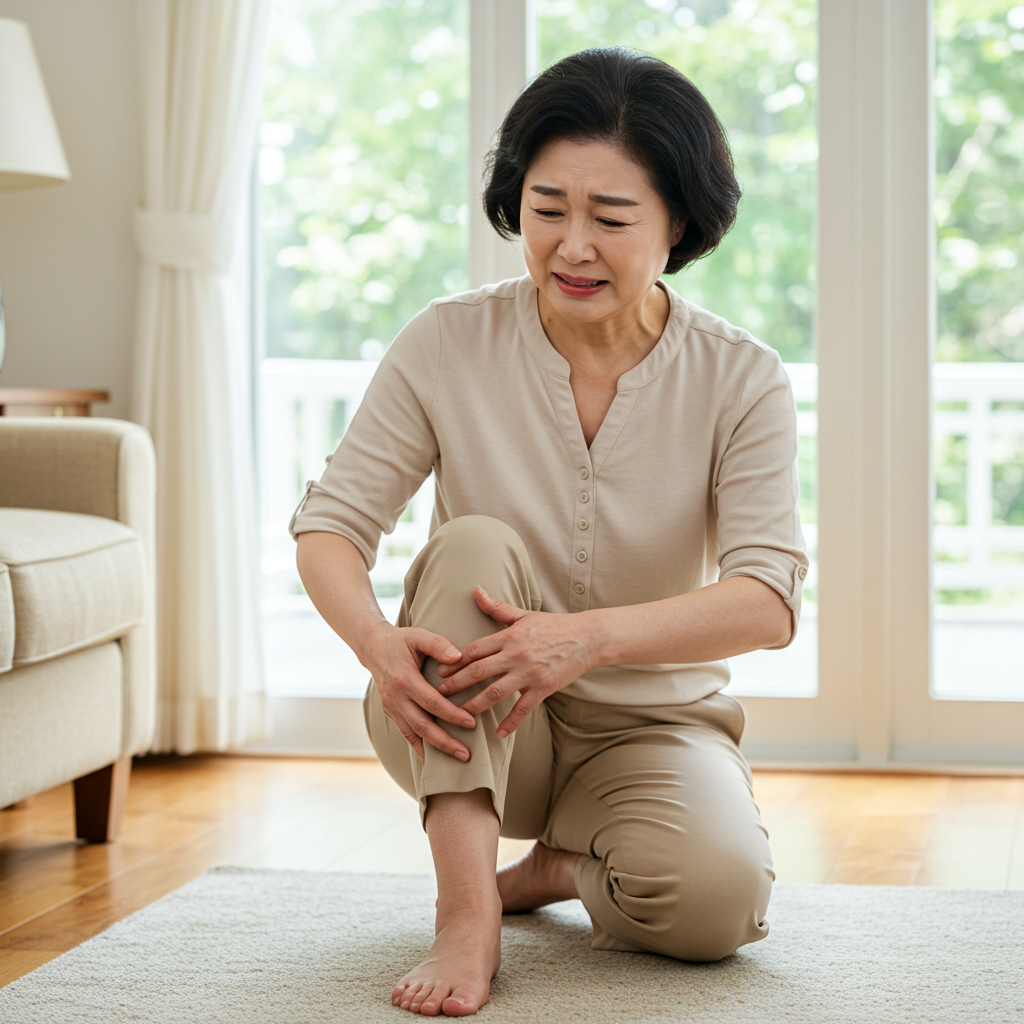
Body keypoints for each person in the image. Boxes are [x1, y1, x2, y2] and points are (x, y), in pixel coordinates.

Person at [292, 46, 808, 1018]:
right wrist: (377, 646)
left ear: (679, 224)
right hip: (468, 713)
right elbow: (331, 526)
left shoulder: (740, 377)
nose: (572, 245)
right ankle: (466, 910)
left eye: (611, 219)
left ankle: (559, 867)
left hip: (646, 724)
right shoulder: (446, 341)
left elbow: (766, 600)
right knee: (473, 543)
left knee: (715, 909)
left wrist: (584, 638)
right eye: (545, 209)